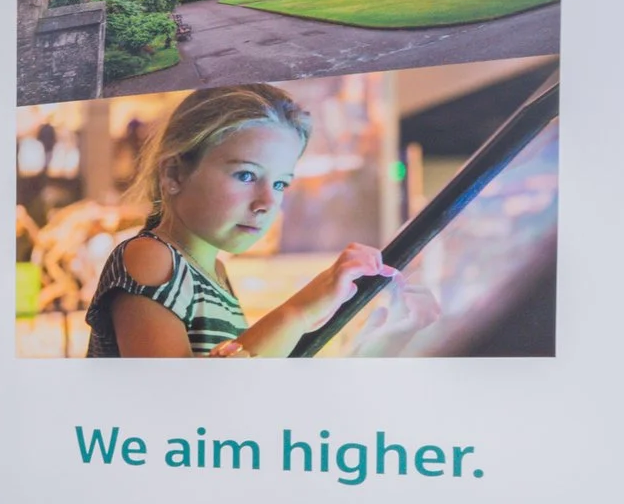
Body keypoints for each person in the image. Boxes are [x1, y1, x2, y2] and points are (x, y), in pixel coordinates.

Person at [87, 84, 431, 357]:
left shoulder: (213, 274)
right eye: (247, 176)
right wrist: (301, 308)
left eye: (280, 184)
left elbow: (237, 386)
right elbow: (178, 403)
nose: (268, 202)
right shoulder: (150, 257)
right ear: (175, 172)